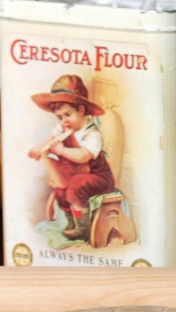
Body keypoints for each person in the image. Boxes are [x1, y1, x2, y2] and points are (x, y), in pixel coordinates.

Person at [28, 74, 115, 241]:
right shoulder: (64, 128)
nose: (64, 121)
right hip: (76, 173)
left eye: (67, 115)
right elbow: (50, 137)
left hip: (99, 178)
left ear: (81, 110)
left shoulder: (91, 133)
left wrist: (61, 151)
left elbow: (83, 156)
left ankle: (83, 227)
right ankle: (71, 221)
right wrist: (38, 149)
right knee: (61, 188)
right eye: (59, 117)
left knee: (75, 184)